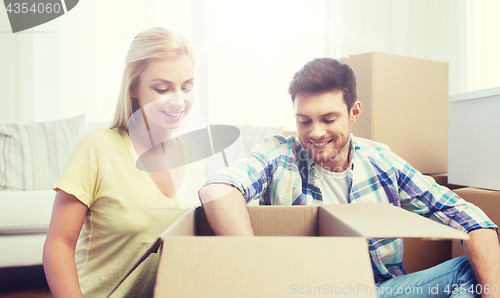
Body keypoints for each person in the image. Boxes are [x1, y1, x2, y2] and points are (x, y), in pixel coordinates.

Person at [199, 58, 500, 297]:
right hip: (304, 292)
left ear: (353, 112)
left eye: (328, 119)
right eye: (304, 121)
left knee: (476, 271)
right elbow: (218, 188)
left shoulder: (382, 161)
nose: (315, 133)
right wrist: (253, 264)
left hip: (380, 291)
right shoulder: (278, 154)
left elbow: (474, 221)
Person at [43, 27, 205, 297]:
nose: (178, 100)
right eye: (163, 88)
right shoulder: (97, 148)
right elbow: (59, 243)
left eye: (186, 87)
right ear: (133, 86)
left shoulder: (194, 158)